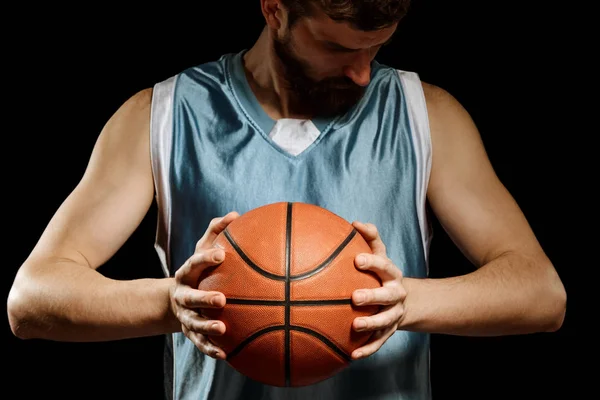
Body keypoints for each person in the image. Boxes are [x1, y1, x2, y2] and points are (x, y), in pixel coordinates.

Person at [7, 1, 567, 399]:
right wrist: (174, 304)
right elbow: (33, 299)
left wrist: (403, 303)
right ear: (274, 9)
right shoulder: (162, 117)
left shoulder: (427, 115)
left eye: (377, 47)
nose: (362, 70)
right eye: (334, 46)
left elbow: (541, 294)